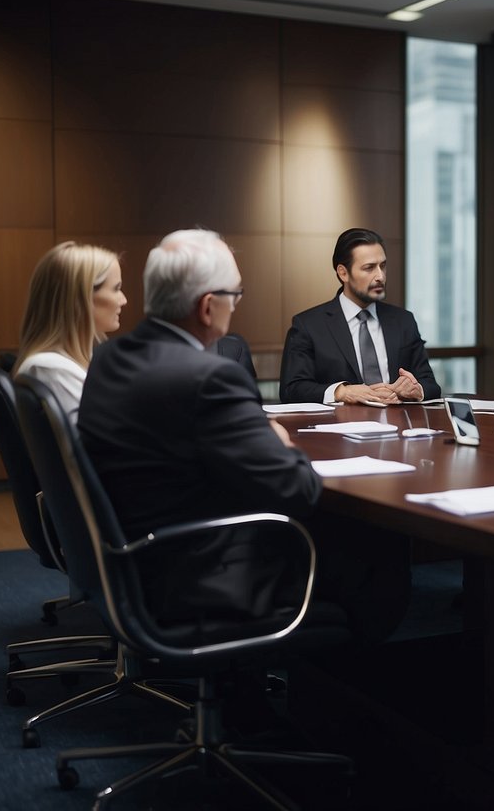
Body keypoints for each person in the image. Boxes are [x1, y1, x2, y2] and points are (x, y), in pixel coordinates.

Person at [80, 230, 408, 645]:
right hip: (202, 575)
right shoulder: (211, 377)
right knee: (378, 547)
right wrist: (281, 442)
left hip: (129, 565)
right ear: (207, 306)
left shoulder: (110, 357)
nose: (235, 306)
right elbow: (298, 490)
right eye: (234, 295)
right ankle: (354, 696)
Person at [279, 228, 440, 405]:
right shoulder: (308, 325)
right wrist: (342, 392)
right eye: (369, 268)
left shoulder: (403, 321)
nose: (380, 276)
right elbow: (291, 389)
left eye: (383, 266)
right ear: (343, 273)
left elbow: (430, 384)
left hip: (398, 426)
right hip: (338, 428)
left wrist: (416, 389)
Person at [13, 242, 126, 424]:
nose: (124, 300)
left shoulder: (63, 365)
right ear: (80, 298)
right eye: (116, 289)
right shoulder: (50, 369)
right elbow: (100, 445)